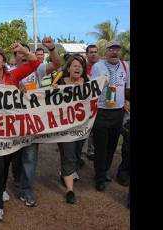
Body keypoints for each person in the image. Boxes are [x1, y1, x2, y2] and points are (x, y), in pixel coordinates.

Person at [0, 44, 40, 221]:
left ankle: (2, 188)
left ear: (4, 61)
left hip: (11, 132)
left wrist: (23, 50)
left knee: (5, 164)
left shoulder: (13, 75)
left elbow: (35, 63)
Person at [16, 37, 61, 208]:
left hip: (33, 122)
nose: (23, 56)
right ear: (15, 58)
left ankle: (26, 189)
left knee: (30, 156)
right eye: (19, 53)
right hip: (12, 123)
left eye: (26, 52)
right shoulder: (9, 72)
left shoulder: (39, 69)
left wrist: (52, 49)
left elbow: (56, 64)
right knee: (13, 157)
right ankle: (16, 182)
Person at [91, 40, 130, 192]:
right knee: (101, 146)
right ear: (105, 52)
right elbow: (92, 88)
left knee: (112, 146)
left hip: (118, 112)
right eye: (111, 49)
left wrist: (126, 102)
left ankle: (105, 170)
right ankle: (99, 177)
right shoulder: (98, 66)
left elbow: (127, 89)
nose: (114, 52)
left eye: (117, 50)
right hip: (101, 111)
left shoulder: (126, 66)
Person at [53, 54, 90, 204]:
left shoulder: (88, 83)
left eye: (80, 66)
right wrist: (53, 90)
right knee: (68, 154)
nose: (77, 68)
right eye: (74, 65)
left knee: (76, 154)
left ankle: (65, 173)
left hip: (81, 127)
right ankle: (70, 190)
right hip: (64, 128)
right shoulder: (60, 82)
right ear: (68, 68)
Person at [82, 44, 100, 161]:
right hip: (85, 104)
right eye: (91, 52)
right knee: (85, 128)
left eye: (95, 52)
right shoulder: (82, 68)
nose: (93, 54)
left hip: (100, 103)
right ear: (87, 54)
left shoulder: (103, 67)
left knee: (95, 129)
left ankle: (91, 150)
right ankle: (82, 155)